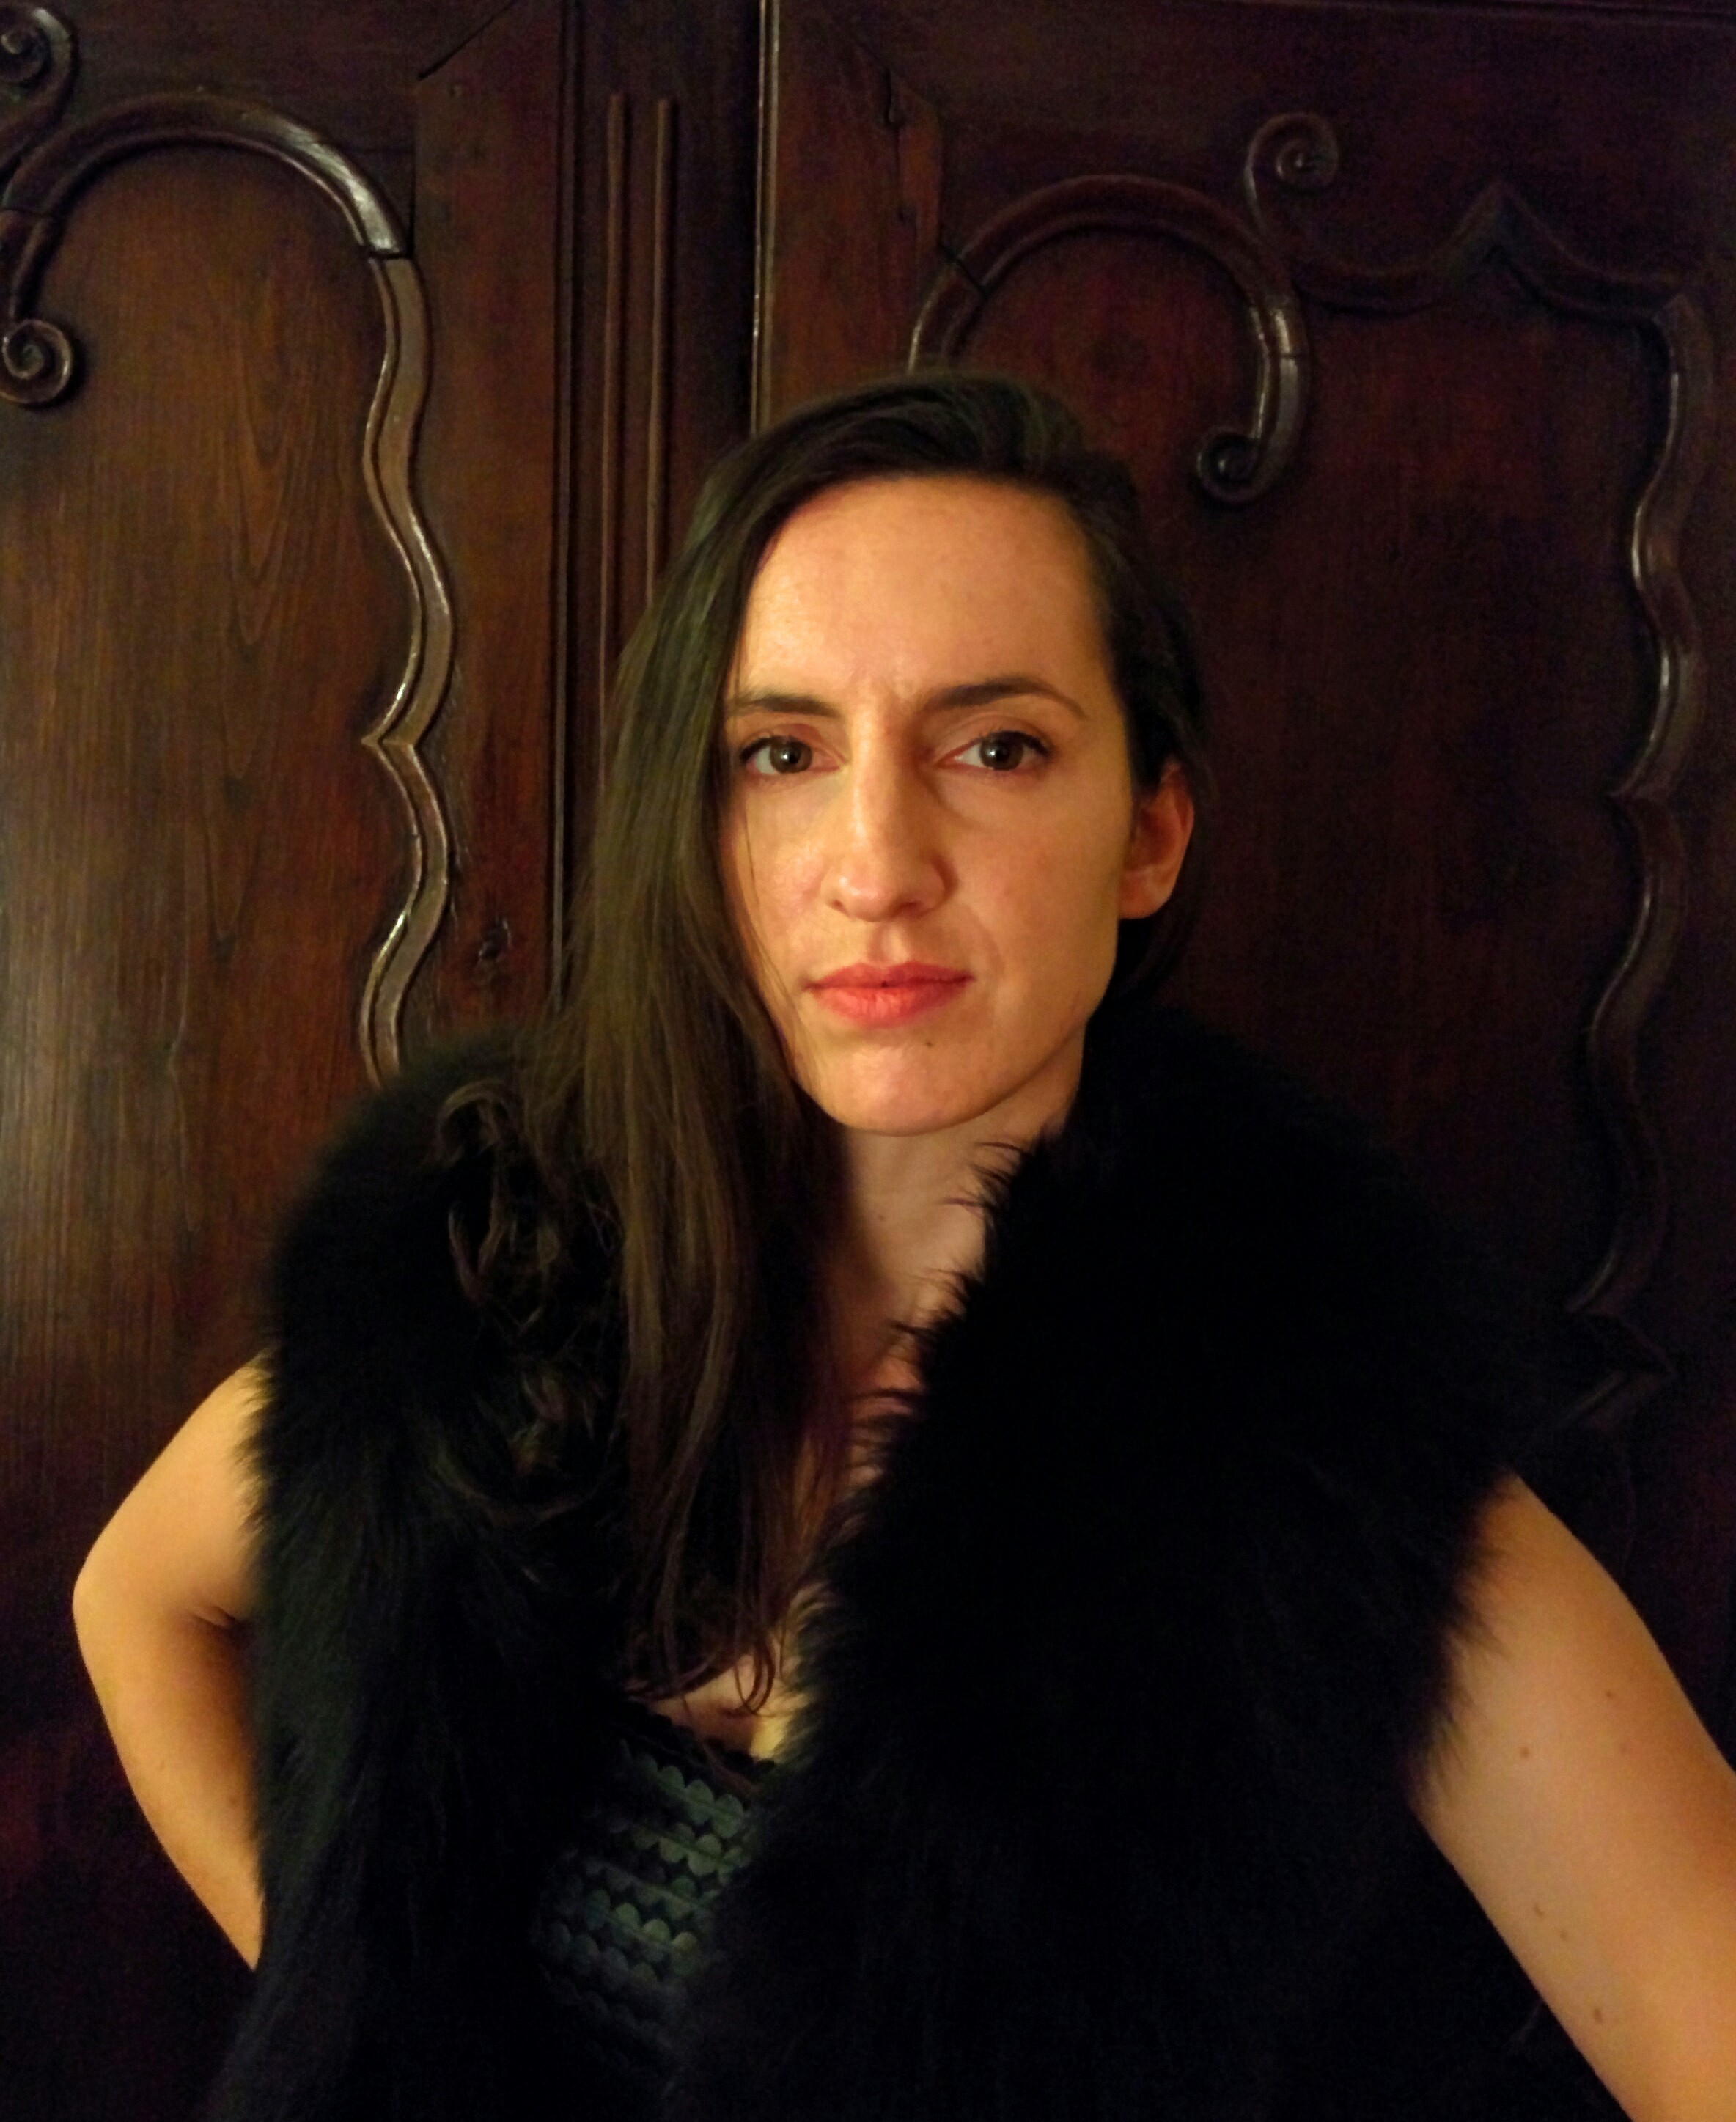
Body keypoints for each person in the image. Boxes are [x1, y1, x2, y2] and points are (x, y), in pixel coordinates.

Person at [73, 372, 1736, 2122]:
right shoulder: (500, 1276)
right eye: (781, 754)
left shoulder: (1316, 1472)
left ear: (1148, 831)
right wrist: (373, 2033)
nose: (874, 865)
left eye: (993, 747)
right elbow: (138, 1597)